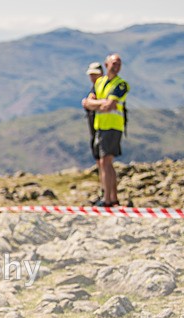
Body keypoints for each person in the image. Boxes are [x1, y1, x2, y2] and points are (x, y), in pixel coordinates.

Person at [82, 54, 129, 207]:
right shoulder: (100, 83)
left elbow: (109, 105)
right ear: (106, 64)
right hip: (100, 126)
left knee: (106, 162)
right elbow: (87, 102)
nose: (116, 66)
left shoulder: (120, 84)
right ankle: (111, 197)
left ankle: (107, 199)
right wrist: (99, 103)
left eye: (119, 63)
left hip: (113, 126)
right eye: (114, 63)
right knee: (104, 163)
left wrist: (96, 104)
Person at [83, 62, 104, 163]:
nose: (93, 77)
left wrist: (88, 103)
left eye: (95, 74)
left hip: (102, 125)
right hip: (94, 124)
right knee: (96, 152)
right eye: (91, 74)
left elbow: (104, 104)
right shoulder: (95, 88)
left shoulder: (103, 87)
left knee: (102, 155)